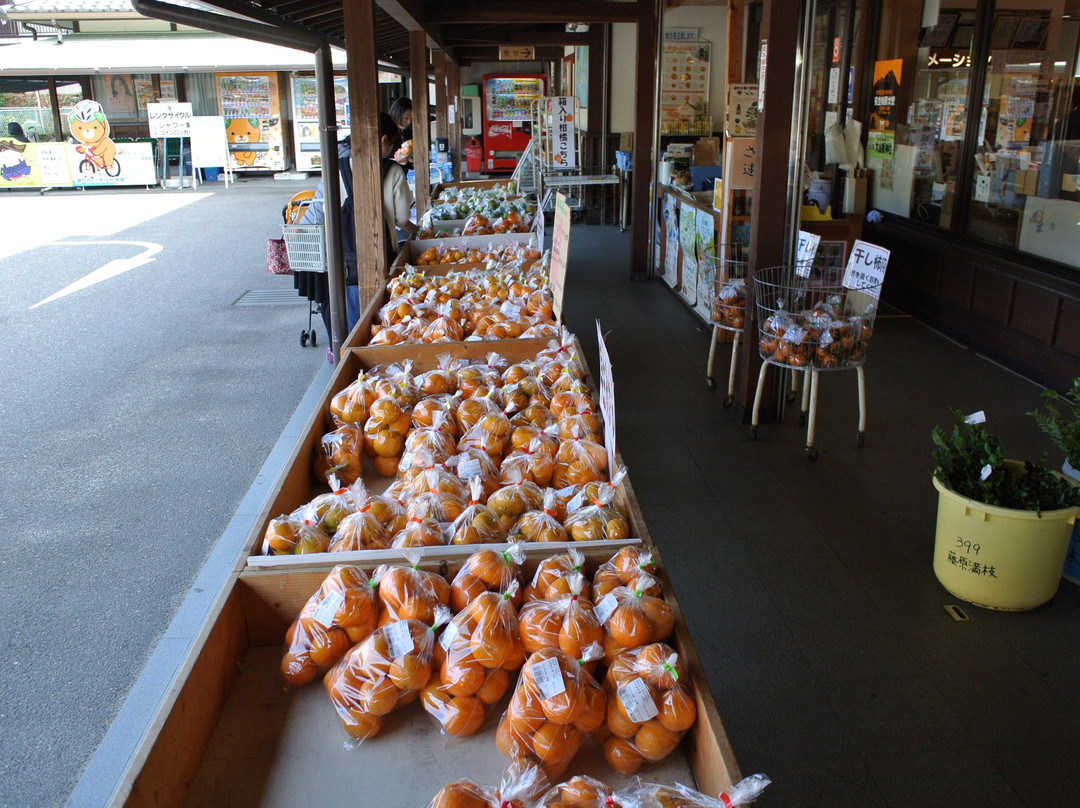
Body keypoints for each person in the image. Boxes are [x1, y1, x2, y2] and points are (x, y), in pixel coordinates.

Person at [300, 113, 417, 351]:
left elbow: (318, 213)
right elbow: (403, 218)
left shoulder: (335, 168)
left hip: (339, 260)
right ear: (383, 139)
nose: (393, 151)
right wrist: (420, 231)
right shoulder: (393, 171)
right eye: (392, 145)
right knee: (379, 318)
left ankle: (344, 358)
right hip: (380, 257)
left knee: (347, 317)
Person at [388, 96, 414, 169]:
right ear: (397, 114)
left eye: (411, 118)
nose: (409, 121)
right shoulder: (388, 131)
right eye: (406, 118)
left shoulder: (407, 131)